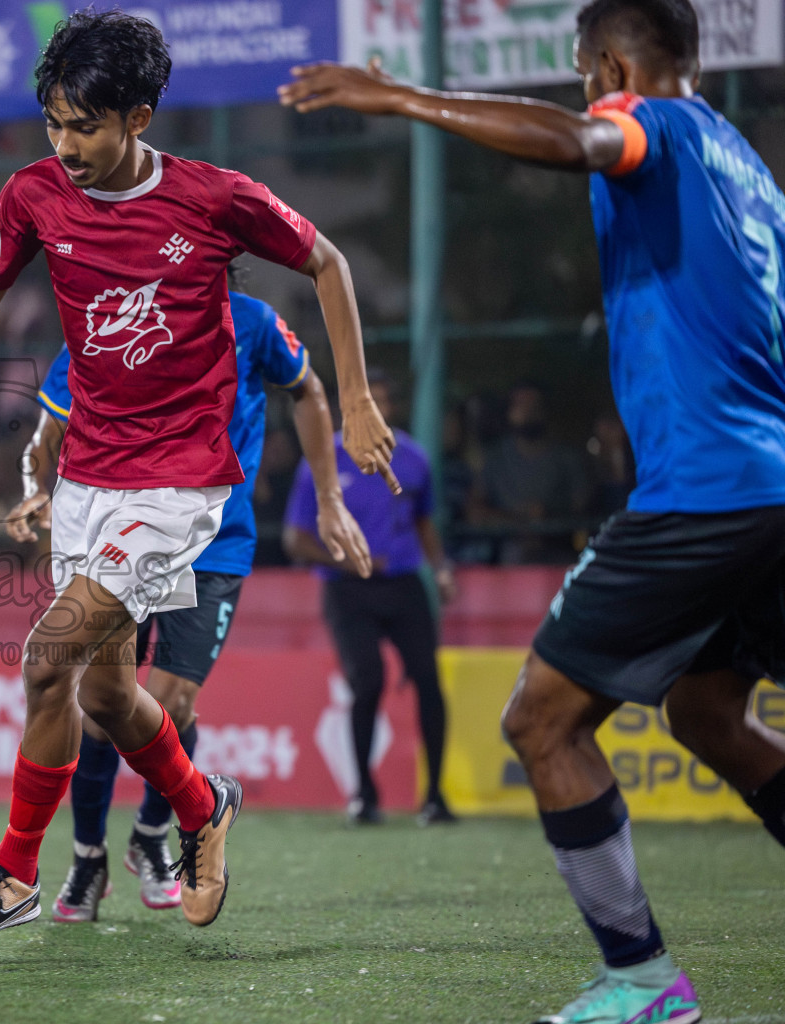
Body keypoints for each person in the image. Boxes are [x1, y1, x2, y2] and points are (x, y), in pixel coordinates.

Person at [0, 9, 396, 939]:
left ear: (138, 117)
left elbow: (328, 263)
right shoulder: (32, 196)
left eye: (85, 126)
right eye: (54, 124)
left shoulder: (214, 197)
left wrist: (357, 401)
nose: (66, 146)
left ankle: (15, 871)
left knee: (44, 658)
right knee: (101, 692)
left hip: (181, 485)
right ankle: (201, 805)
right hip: (90, 482)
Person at [281, 1, 785, 1020]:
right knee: (706, 712)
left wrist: (403, 97)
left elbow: (591, 140)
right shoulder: (748, 167)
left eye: (580, 71)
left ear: (606, 64)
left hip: (706, 495)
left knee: (542, 719)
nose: (585, 89)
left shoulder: (654, 124)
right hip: (771, 489)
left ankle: (642, 980)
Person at [7, 280, 368, 922]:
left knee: (174, 699)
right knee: (103, 704)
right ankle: (87, 857)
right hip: (128, 531)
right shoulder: (115, 315)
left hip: (217, 541)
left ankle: (152, 837)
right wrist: (38, 487)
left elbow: (309, 389)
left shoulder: (253, 322)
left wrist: (329, 499)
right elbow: (50, 423)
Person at [283, 372, 456, 826]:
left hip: (403, 584)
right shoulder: (323, 458)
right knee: (369, 681)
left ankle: (435, 796)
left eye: (381, 401)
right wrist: (348, 560)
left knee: (429, 683)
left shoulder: (414, 458)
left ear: (390, 408)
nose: (374, 409)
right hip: (347, 589)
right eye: (366, 401)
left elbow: (424, 523)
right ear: (347, 408)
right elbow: (296, 539)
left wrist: (439, 569)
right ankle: (364, 794)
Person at [471, 382, 591, 564]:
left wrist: (548, 514)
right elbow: (475, 511)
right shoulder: (495, 458)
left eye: (532, 405)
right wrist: (518, 520)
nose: (526, 412)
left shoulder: (567, 457)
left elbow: (584, 509)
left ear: (545, 409)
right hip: (507, 565)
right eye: (519, 404)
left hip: (559, 559)